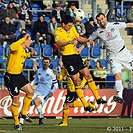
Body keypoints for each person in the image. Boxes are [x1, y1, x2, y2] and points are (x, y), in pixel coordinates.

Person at [54, 15, 106, 119]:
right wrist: (69, 42)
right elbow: (58, 43)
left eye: (71, 25)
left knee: (88, 75)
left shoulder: (72, 28)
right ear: (63, 24)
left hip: (76, 56)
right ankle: (85, 104)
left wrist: (88, 40)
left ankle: (98, 98)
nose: (70, 27)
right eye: (68, 26)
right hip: (67, 59)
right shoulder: (58, 31)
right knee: (76, 81)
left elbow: (78, 37)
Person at [89, 12, 133, 104]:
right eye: (99, 21)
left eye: (102, 19)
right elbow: (89, 40)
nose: (101, 21)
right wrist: (80, 48)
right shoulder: (98, 31)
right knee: (117, 75)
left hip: (124, 53)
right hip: (113, 57)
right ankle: (119, 96)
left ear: (105, 18)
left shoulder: (115, 25)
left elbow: (128, 24)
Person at [4, 34, 37, 130]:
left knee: (30, 92)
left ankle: (23, 113)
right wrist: (23, 38)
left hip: (19, 75)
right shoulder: (16, 47)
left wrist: (30, 54)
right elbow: (11, 47)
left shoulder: (23, 50)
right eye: (29, 40)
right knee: (16, 99)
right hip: (11, 76)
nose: (30, 42)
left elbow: (22, 56)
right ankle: (16, 123)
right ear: (24, 40)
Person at [20, 57, 58, 125]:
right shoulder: (39, 70)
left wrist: (52, 91)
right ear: (42, 62)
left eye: (47, 62)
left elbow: (56, 84)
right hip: (37, 90)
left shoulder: (51, 73)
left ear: (49, 64)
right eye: (44, 62)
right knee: (26, 103)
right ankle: (21, 122)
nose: (45, 64)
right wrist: (29, 86)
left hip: (45, 92)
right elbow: (36, 80)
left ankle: (41, 117)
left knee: (36, 101)